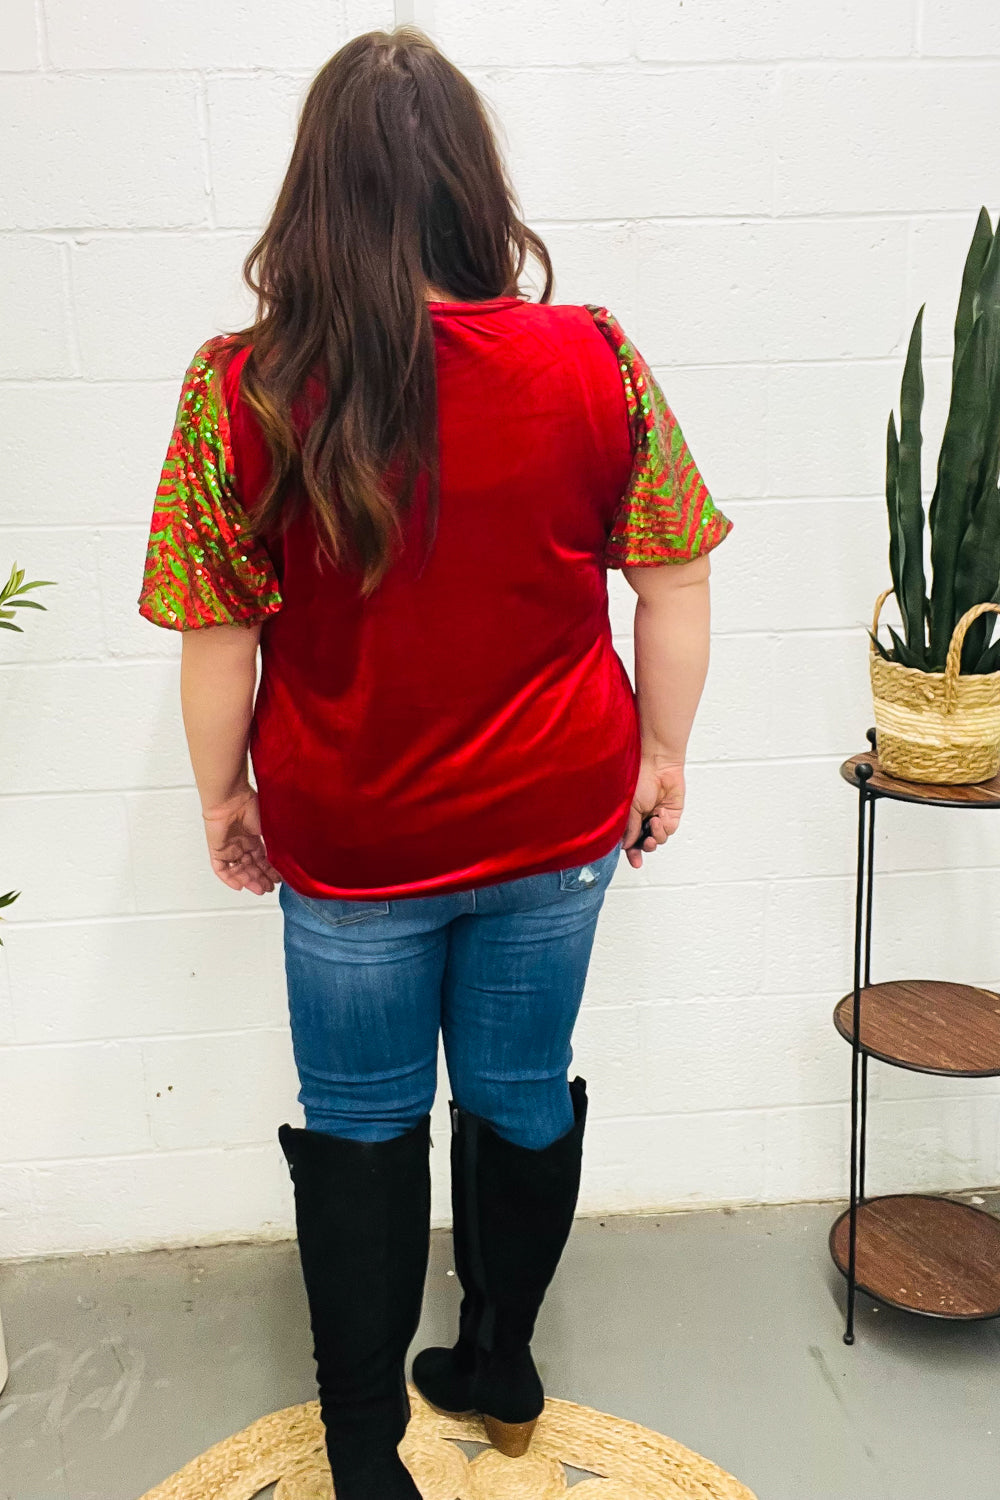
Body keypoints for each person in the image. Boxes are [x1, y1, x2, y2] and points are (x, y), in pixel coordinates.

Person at [137, 25, 732, 1500]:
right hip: (557, 821)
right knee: (523, 1092)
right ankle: (499, 1360)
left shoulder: (244, 389)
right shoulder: (597, 359)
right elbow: (674, 580)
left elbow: (216, 631)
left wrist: (225, 796)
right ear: (474, 185)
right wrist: (663, 753)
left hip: (353, 843)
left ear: (314, 195)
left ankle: (362, 1456)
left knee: (361, 1125)